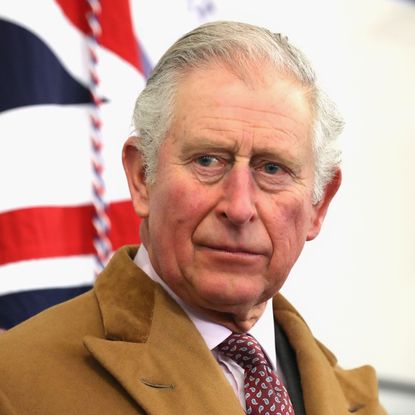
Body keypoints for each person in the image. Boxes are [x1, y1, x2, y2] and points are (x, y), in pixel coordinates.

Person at [0, 21, 386, 415]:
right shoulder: (15, 384)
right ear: (141, 177)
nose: (238, 208)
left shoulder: (358, 401)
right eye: (207, 160)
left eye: (272, 170)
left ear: (318, 205)